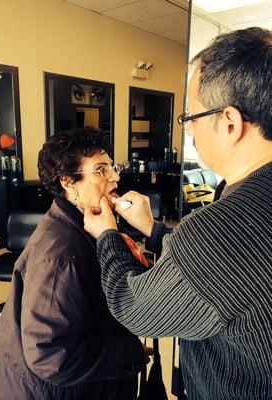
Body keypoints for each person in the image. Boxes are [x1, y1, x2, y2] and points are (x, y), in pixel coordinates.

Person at [84, 27, 272, 400]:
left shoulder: (223, 230)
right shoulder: (236, 204)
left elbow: (131, 305)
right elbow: (224, 277)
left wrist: (107, 233)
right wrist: (153, 229)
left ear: (230, 123)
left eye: (190, 117)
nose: (188, 130)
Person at [0, 128, 146, 400]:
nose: (115, 177)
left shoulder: (83, 225)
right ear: (68, 182)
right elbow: (49, 353)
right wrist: (130, 352)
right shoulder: (60, 254)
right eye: (101, 170)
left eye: (112, 167)